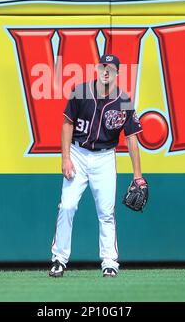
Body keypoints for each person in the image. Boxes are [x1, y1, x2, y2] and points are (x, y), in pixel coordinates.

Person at [49, 54, 146, 278]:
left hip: (104, 157)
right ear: (97, 68)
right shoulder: (80, 91)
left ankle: (110, 262)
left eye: (110, 68)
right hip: (78, 153)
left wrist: (138, 175)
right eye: (102, 66)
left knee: (106, 212)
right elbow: (67, 125)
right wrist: (65, 158)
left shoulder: (124, 100)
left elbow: (132, 138)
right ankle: (58, 259)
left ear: (117, 73)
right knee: (67, 206)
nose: (106, 71)